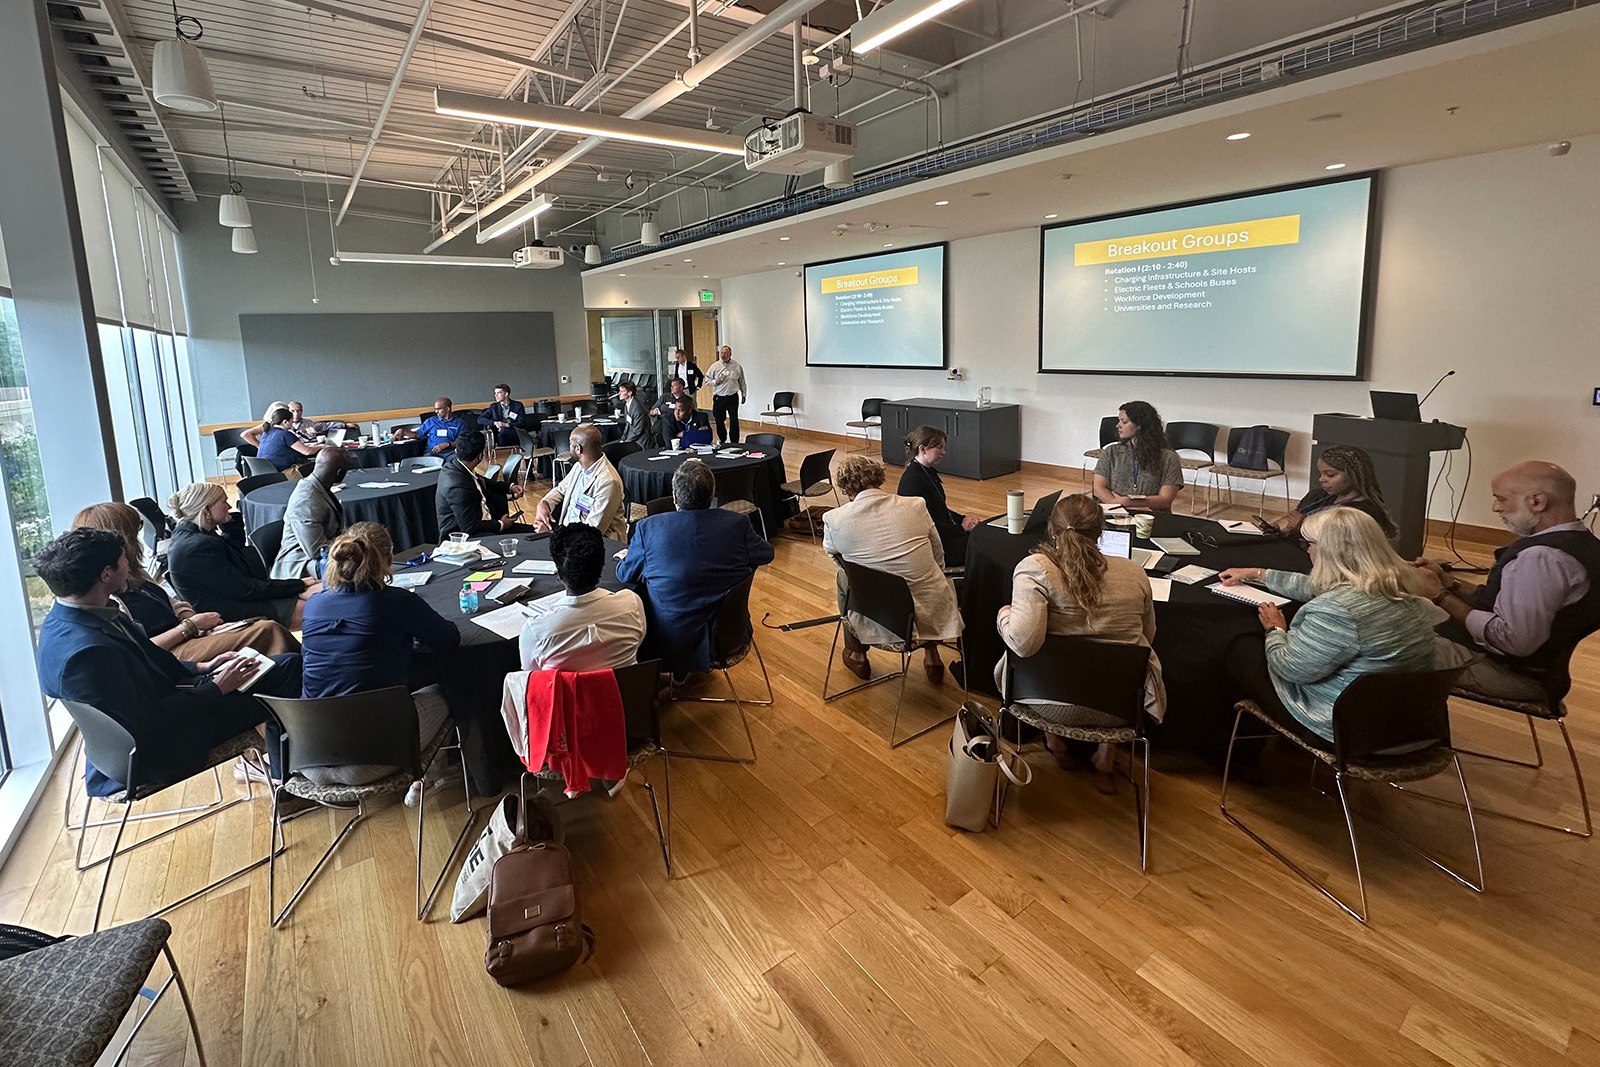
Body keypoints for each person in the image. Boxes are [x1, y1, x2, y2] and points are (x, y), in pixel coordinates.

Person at [34, 527, 301, 797]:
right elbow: (148, 721)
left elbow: (146, 658)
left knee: (284, 665)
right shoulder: (88, 652)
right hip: (158, 750)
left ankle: (289, 770)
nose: (129, 563)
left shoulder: (71, 619)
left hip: (165, 712)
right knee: (287, 675)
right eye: (123, 558)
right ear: (106, 573)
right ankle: (289, 783)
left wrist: (202, 667)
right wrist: (217, 688)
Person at [1218, 507, 1438, 743]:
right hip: (1406, 723)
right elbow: (1318, 586)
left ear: (1330, 551)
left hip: (1345, 730)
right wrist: (1258, 574)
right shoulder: (1398, 588)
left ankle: (1233, 749)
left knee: (1240, 646)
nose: (1308, 551)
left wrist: (1275, 630)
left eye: (1310, 544)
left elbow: (1289, 668)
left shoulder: (1338, 611)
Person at [996, 494, 1165, 787]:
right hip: (1118, 709)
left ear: (1052, 531)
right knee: (1123, 654)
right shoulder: (1134, 572)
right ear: (1100, 532)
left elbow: (1024, 644)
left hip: (1043, 701)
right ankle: (1105, 756)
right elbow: (1146, 637)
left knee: (1034, 646)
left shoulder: (1036, 569)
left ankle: (1055, 742)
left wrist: (1003, 616)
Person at [1410, 461, 1600, 701]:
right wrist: (1449, 582)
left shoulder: (1540, 558)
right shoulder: (1584, 544)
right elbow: (1500, 602)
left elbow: (1513, 641)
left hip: (1517, 676)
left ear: (1537, 501)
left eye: (1501, 499)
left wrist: (1439, 596)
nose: (1495, 508)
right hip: (1540, 670)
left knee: (1384, 639)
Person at [298, 523, 461, 786]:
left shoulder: (314, 605)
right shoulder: (396, 602)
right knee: (452, 688)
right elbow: (448, 639)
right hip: (373, 756)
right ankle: (435, 779)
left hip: (309, 753)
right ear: (388, 560)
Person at [72, 503, 299, 659]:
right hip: (169, 653)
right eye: (134, 534)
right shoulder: (107, 592)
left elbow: (172, 602)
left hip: (187, 635)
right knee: (267, 630)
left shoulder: (131, 570)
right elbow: (138, 649)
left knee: (258, 626)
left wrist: (195, 623)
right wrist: (191, 627)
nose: (139, 540)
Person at [615, 459, 774, 673]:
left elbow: (626, 575)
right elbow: (766, 554)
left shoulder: (648, 529)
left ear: (674, 497)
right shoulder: (737, 524)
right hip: (728, 633)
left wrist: (630, 557)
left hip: (670, 642)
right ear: (712, 495)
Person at [822, 455, 963, 684]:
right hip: (933, 608)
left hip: (881, 615)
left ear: (846, 489)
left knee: (844, 578)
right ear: (879, 479)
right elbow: (937, 553)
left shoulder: (834, 519)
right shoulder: (915, 505)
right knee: (926, 577)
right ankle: (932, 656)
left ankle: (857, 654)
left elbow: (836, 557)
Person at [165, 482, 319, 629]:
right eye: (224, 502)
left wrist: (230, 524)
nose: (229, 506)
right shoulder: (197, 548)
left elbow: (234, 555)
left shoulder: (191, 533)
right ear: (207, 510)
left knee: (317, 593)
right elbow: (245, 589)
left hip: (237, 596)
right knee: (318, 609)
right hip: (230, 610)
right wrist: (297, 584)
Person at [520, 523, 646, 672]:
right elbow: (639, 642)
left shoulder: (536, 631)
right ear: (602, 565)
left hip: (566, 695)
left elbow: (532, 676)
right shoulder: (632, 604)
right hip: (625, 693)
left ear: (559, 575)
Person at [897, 425, 979, 569]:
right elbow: (926, 524)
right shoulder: (913, 480)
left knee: (981, 534)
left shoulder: (927, 473)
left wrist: (963, 518)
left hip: (942, 534)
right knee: (981, 549)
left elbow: (940, 508)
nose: (944, 452)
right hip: (933, 544)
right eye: (939, 448)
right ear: (923, 449)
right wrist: (961, 528)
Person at [1273, 445, 1396, 539]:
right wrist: (1280, 530)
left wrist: (1302, 528)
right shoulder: (1317, 495)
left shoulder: (1364, 513)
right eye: (1321, 473)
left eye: (1330, 474)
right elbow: (1292, 524)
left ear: (1354, 476)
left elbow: (1342, 550)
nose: (1322, 479)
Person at [535, 424, 627, 541]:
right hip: (568, 535)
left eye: (570, 444)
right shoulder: (579, 466)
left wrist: (551, 536)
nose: (569, 448)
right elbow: (561, 490)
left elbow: (592, 531)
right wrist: (544, 503)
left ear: (578, 449)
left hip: (592, 546)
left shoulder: (608, 482)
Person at [271, 446, 348, 578]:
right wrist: (352, 545)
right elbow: (317, 550)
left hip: (316, 558)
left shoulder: (317, 487)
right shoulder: (306, 500)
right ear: (340, 473)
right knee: (359, 563)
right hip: (302, 566)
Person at [1092, 401, 1184, 510]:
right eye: (1119, 421)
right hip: (1113, 510)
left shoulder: (1168, 457)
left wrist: (1129, 503)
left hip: (1151, 515)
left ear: (1140, 425)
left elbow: (1165, 499)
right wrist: (1116, 503)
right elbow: (1098, 488)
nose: (1118, 425)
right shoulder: (1111, 452)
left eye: (1124, 422)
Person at [436, 429, 527, 538]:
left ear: (457, 451)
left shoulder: (455, 466)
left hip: (485, 525)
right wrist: (501, 524)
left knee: (536, 533)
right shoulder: (458, 487)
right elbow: (470, 527)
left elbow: (483, 481)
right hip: (470, 539)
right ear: (480, 456)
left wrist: (510, 487)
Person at [256, 406, 320, 472]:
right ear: (285, 422)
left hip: (264, 473)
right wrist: (320, 447)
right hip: (282, 473)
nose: (292, 424)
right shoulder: (285, 434)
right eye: (291, 421)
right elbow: (307, 451)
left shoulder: (266, 433)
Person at [706, 345, 748, 444]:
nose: (723, 355)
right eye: (722, 353)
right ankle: (722, 439)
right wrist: (715, 382)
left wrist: (744, 394)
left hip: (732, 396)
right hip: (719, 397)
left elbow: (742, 381)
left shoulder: (737, 366)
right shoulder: (715, 366)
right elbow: (706, 380)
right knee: (719, 420)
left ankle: (734, 441)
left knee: (734, 420)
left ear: (730, 354)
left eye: (725, 353)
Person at [286, 401, 357, 443]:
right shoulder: (284, 425)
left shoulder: (309, 423)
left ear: (302, 411)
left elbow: (327, 425)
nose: (296, 413)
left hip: (314, 447)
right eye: (292, 411)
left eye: (298, 411)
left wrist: (345, 425)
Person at [617, 380, 656, 448]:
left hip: (641, 442)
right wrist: (623, 439)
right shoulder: (627, 404)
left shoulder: (638, 408)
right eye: (619, 391)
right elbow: (628, 425)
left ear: (629, 393)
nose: (619, 393)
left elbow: (638, 431)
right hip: (632, 438)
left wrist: (626, 442)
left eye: (622, 391)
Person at [654, 378, 690, 442]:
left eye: (674, 386)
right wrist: (654, 412)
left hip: (677, 424)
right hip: (661, 422)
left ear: (681, 387)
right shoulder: (665, 397)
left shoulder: (686, 400)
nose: (672, 387)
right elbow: (651, 411)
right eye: (671, 386)